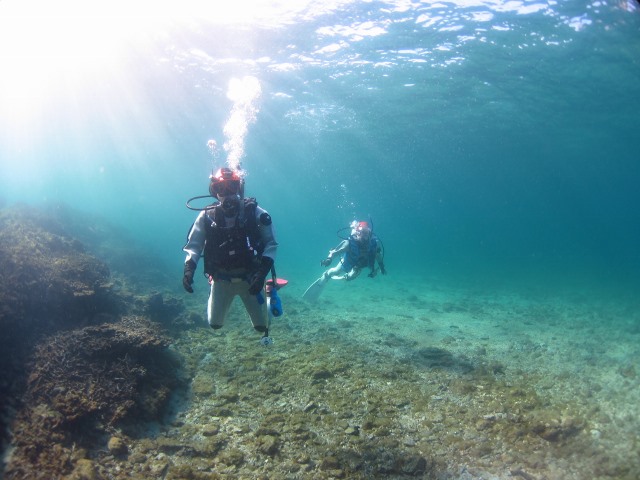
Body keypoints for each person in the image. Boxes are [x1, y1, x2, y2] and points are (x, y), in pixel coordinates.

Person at [182, 167, 278, 337]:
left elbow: (271, 244)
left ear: (239, 188)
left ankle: (269, 294)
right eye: (220, 188)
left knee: (262, 326)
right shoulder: (206, 216)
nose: (227, 193)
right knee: (215, 324)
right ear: (214, 192)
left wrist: (261, 274)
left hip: (251, 279)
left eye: (232, 186)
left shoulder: (255, 212)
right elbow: (194, 246)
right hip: (221, 279)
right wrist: (189, 270)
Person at [302, 220, 386, 302]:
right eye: (362, 232)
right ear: (357, 232)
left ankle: (346, 277)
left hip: (359, 265)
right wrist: (328, 259)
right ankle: (326, 275)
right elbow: (335, 252)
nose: (364, 236)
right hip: (348, 261)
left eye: (366, 233)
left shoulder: (373, 245)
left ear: (370, 233)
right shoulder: (349, 243)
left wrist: (381, 267)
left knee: (351, 277)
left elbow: (378, 256)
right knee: (336, 271)